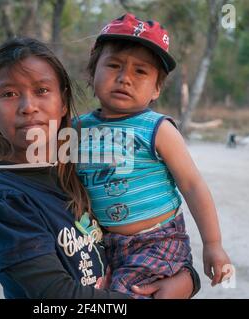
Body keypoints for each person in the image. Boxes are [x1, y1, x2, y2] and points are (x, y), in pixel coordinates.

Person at [0, 37, 200, 299]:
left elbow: (139, 237)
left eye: (42, 90)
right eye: (9, 94)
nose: (28, 107)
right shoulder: (2, 195)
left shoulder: (76, 167)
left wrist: (188, 279)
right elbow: (57, 295)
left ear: (64, 102)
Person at [75, 13, 232, 298]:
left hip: (157, 241)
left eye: (141, 72)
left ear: (156, 88)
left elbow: (192, 185)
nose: (125, 78)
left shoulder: (156, 129)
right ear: (91, 72)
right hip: (101, 241)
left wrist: (213, 243)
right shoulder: (77, 128)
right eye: (113, 65)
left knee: (124, 296)